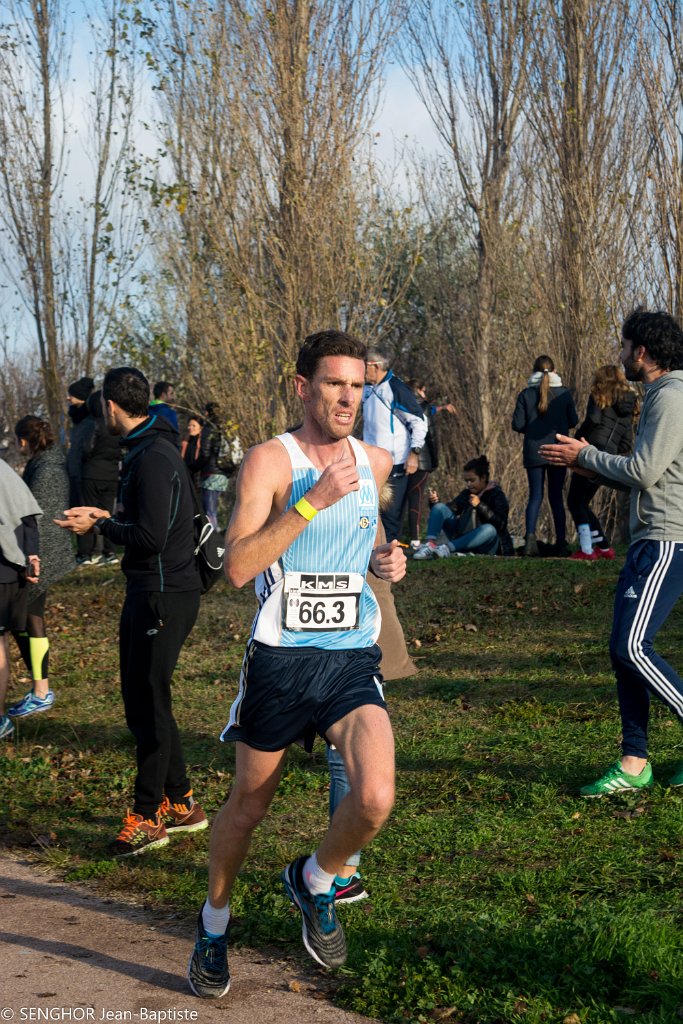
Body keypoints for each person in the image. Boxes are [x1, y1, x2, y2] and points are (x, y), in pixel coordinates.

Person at [187, 329, 406, 999]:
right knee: (248, 807)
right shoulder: (269, 462)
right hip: (281, 660)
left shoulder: (374, 461)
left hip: (349, 658)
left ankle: (314, 878)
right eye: (334, 384)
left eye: (357, 386)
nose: (347, 398)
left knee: (375, 796)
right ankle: (214, 925)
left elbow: (366, 531)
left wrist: (384, 558)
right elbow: (237, 567)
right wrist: (311, 501)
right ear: (303, 387)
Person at [56, 367, 207, 855]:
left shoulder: (154, 457)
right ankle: (181, 803)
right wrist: (105, 518)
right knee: (147, 698)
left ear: (110, 407)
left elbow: (151, 537)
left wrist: (100, 526)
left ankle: (147, 817)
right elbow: (149, 524)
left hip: (163, 594)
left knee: (147, 705)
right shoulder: (147, 448)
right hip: (152, 589)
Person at [540, 308, 683, 797]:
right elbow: (648, 476)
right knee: (622, 653)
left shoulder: (672, 395)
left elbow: (644, 472)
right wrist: (591, 468)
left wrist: (585, 455)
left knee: (631, 647)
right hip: (648, 539)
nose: (620, 356)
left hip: (667, 539)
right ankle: (634, 762)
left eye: (623, 346)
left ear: (641, 351)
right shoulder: (660, 395)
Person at [7, 416, 74, 720]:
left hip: (41, 553)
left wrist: (30, 558)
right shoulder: (47, 462)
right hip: (40, 551)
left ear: (24, 440)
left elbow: (37, 517)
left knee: (28, 619)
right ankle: (40, 689)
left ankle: (41, 691)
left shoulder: (47, 469)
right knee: (28, 619)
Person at [567, 365, 639, 560]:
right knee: (582, 502)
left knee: (574, 500)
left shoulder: (599, 394)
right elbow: (626, 443)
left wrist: (578, 440)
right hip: (608, 459)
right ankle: (604, 547)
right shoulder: (630, 403)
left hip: (590, 452)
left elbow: (593, 419)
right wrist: (611, 450)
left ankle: (586, 549)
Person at [512, 355, 578, 556]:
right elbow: (573, 421)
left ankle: (530, 541)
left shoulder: (525, 394)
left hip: (534, 451)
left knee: (535, 496)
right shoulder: (564, 394)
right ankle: (561, 543)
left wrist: (534, 429)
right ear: (554, 371)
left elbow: (518, 424)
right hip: (558, 450)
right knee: (556, 496)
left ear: (534, 371)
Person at [362, 350, 428, 542]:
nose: (361, 370)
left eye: (364, 365)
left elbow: (419, 421)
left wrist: (414, 453)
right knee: (369, 513)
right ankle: (371, 554)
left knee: (390, 516)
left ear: (375, 366)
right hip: (370, 463)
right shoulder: (366, 389)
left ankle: (391, 555)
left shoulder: (396, 388)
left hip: (395, 464)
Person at [0, 458, 41, 740]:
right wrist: (31, 554)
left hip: (5, 569)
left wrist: (31, 556)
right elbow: (28, 517)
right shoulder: (5, 469)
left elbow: (26, 515)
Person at [413, 455, 513, 558]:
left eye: (472, 480)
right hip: (463, 538)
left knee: (490, 529)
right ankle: (430, 545)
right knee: (440, 507)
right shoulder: (467, 493)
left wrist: (480, 506)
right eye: (467, 481)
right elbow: (451, 509)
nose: (469, 484)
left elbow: (501, 524)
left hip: (487, 544)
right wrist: (435, 503)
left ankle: (447, 549)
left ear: (483, 478)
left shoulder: (497, 495)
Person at [404, 379, 457, 550]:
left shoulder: (400, 406)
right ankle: (415, 540)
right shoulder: (423, 407)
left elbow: (432, 410)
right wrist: (434, 461)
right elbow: (431, 435)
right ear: (418, 390)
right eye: (423, 391)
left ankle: (393, 536)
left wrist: (443, 408)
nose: (425, 394)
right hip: (421, 460)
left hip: (401, 459)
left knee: (399, 499)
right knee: (416, 499)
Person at [79, 390, 121, 567]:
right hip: (111, 475)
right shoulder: (116, 426)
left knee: (88, 512)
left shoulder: (94, 425)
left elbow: (87, 449)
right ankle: (110, 552)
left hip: (92, 474)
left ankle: (85, 553)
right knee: (107, 513)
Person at [65, 376, 95, 564]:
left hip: (84, 474)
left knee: (84, 512)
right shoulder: (78, 420)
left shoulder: (90, 422)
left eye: (71, 395)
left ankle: (86, 552)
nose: (68, 398)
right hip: (75, 472)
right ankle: (83, 551)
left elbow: (86, 449)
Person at [197, 403, 231, 531]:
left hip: (210, 475)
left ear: (207, 412)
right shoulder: (226, 427)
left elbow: (205, 453)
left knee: (209, 512)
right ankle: (220, 534)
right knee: (218, 511)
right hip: (224, 473)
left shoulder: (209, 427)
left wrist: (193, 467)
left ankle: (213, 538)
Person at [181, 415, 204, 491]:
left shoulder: (203, 442)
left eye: (194, 426)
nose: (190, 428)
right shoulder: (186, 440)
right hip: (186, 474)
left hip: (197, 477)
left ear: (200, 428)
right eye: (189, 425)